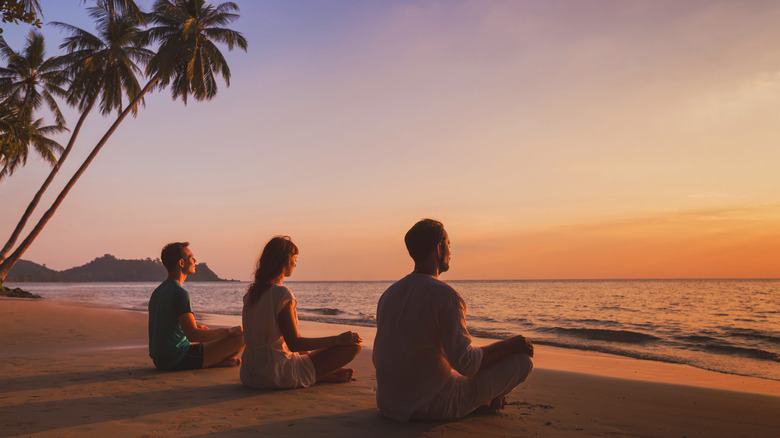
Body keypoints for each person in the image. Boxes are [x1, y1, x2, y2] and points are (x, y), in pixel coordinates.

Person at [373, 219, 534, 421]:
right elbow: (465, 363)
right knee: (522, 361)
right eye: (449, 244)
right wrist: (510, 345)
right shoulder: (446, 296)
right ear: (439, 248)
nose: (451, 250)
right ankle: (484, 401)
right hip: (430, 405)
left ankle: (485, 400)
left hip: (389, 403)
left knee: (457, 370)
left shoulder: (390, 293)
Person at [240, 236, 362, 389]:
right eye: (295, 259)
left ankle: (320, 373)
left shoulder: (251, 294)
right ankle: (320, 375)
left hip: (250, 373)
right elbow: (295, 344)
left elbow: (288, 344)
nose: (295, 264)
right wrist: (337, 339)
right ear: (286, 260)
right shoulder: (281, 294)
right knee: (353, 344)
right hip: (275, 374)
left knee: (304, 356)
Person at [148, 242, 245, 371]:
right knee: (242, 337)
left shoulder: (158, 292)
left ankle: (216, 361)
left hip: (160, 360)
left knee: (204, 332)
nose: (195, 260)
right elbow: (193, 335)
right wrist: (229, 331)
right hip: (177, 359)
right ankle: (213, 362)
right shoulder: (180, 293)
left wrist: (197, 329)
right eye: (191, 257)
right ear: (181, 263)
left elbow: (166, 327)